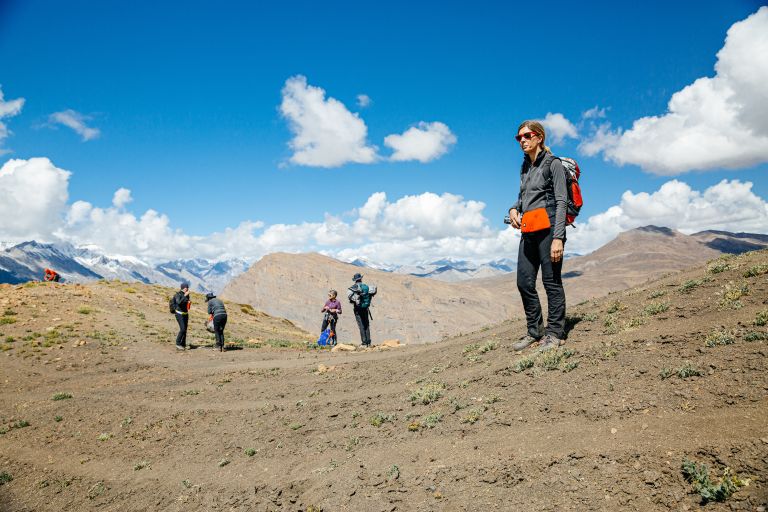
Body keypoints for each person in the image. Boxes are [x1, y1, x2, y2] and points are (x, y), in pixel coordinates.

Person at [508, 120, 567, 352]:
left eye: (527, 135)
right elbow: (523, 199)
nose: (522, 140)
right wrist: (513, 209)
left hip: (550, 229)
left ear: (539, 137)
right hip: (529, 229)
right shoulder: (525, 167)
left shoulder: (554, 164)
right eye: (518, 137)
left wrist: (558, 237)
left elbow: (562, 200)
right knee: (524, 282)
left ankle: (555, 333)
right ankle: (535, 331)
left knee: (551, 282)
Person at [348, 273, 375, 348]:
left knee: (361, 325)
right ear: (361, 279)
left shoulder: (353, 288)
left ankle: (364, 343)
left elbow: (350, 298)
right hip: (366, 308)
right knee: (366, 324)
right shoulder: (366, 287)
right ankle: (368, 342)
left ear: (355, 280)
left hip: (358, 309)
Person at [172, 282, 191, 350]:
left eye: (188, 287)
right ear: (183, 288)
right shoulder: (178, 294)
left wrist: (188, 302)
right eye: (187, 287)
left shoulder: (187, 294)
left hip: (185, 314)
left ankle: (183, 344)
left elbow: (185, 303)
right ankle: (178, 343)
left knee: (185, 330)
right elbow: (179, 302)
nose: (188, 289)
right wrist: (185, 296)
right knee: (182, 329)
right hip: (179, 314)